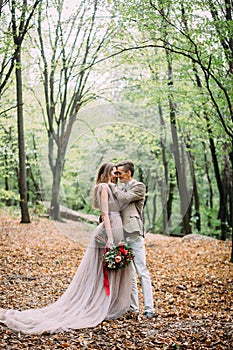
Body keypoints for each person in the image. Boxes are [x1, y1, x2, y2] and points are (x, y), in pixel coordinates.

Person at [0, 162, 133, 334]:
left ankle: (109, 302)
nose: (117, 174)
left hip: (116, 227)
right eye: (115, 172)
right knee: (102, 269)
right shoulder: (104, 187)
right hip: (108, 230)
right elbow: (105, 214)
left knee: (110, 267)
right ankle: (98, 302)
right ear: (109, 171)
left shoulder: (111, 188)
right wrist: (110, 237)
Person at [108, 160, 155, 319]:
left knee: (142, 271)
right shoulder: (119, 188)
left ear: (128, 173)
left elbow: (124, 198)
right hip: (121, 233)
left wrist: (113, 186)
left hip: (134, 231)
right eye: (116, 173)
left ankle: (149, 308)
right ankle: (134, 308)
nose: (117, 176)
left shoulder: (139, 187)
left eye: (120, 173)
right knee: (129, 273)